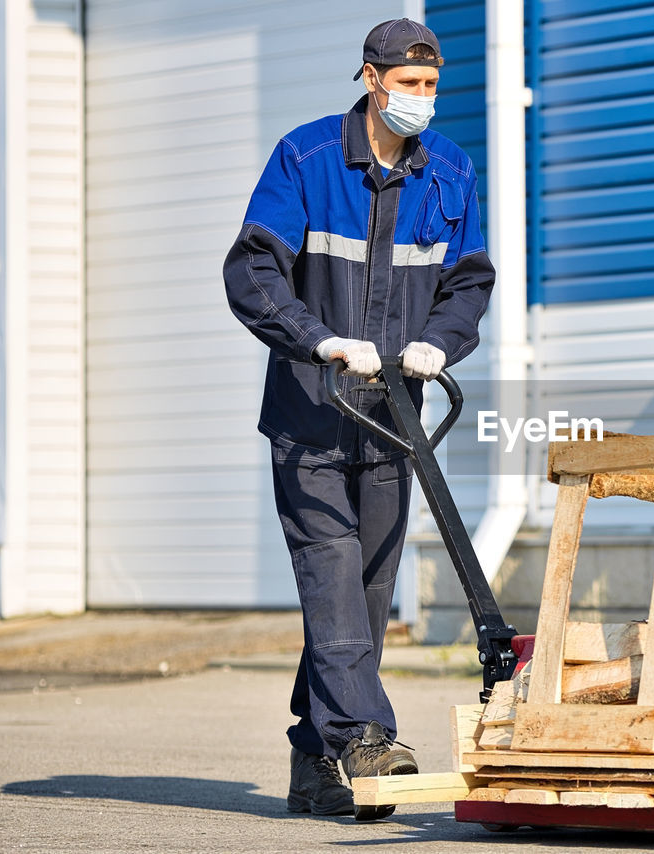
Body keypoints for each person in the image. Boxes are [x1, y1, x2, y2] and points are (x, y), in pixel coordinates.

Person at [223, 18, 495, 820]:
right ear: (371, 80)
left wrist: (439, 346)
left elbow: (468, 283)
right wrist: (319, 340)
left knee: (367, 594)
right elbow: (252, 269)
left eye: (432, 86)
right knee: (333, 575)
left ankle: (315, 765)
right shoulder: (306, 159)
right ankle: (366, 737)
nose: (423, 100)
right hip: (313, 411)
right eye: (410, 85)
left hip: (393, 420)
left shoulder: (449, 173)